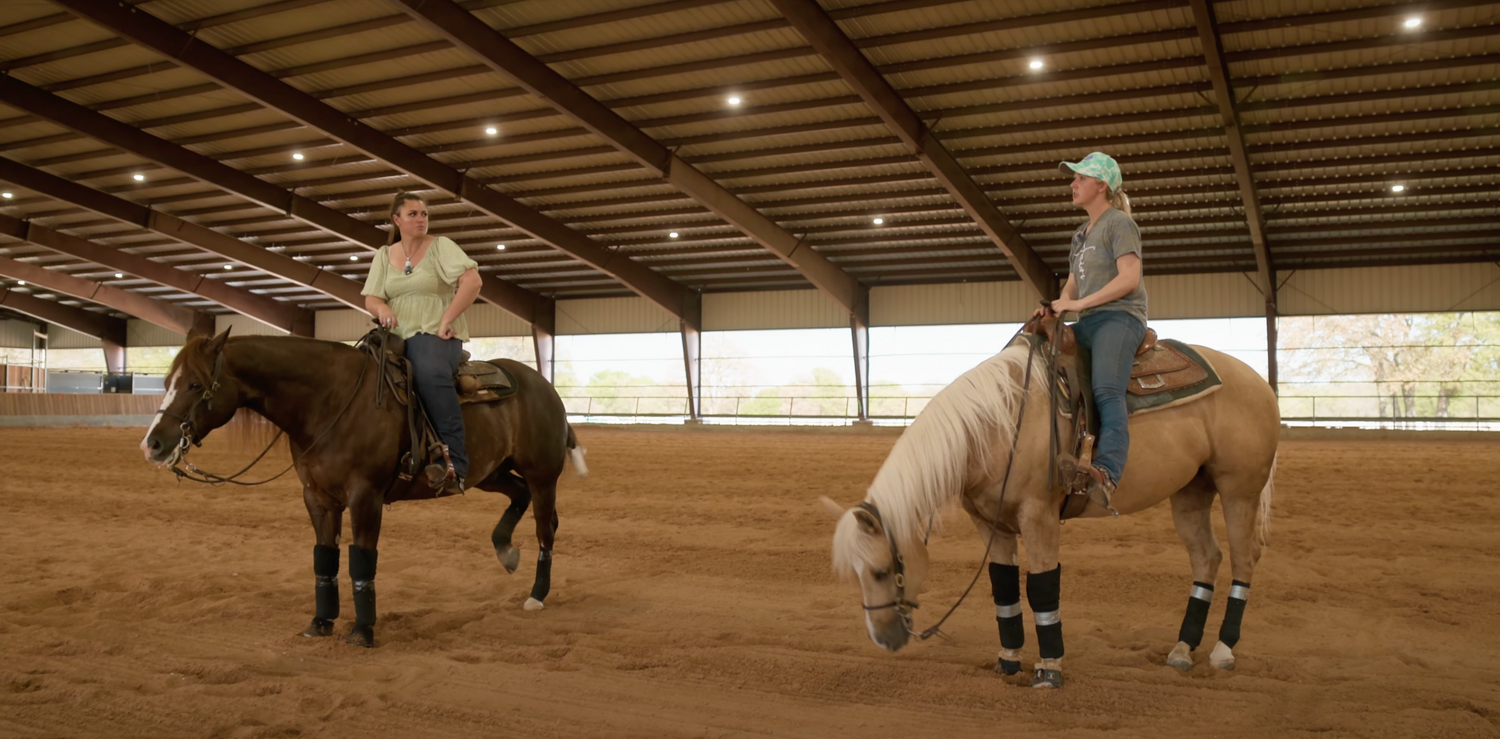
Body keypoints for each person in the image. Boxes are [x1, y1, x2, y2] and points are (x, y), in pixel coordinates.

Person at [1039, 152, 1148, 512]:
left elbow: (1129, 279)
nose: (1073, 184)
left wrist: (1079, 306)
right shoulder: (1080, 235)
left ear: (1101, 185)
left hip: (1119, 318)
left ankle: (1108, 471)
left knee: (1105, 388)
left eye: (1080, 178)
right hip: (1087, 321)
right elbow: (1072, 284)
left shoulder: (1119, 223)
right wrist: (1057, 305)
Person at [362, 192, 482, 495]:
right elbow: (372, 297)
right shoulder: (383, 255)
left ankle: (455, 463)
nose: (421, 219)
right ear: (396, 219)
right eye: (413, 214)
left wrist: (447, 318)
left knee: (428, 373)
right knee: (358, 369)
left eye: (424, 214)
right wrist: (382, 309)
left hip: (436, 335)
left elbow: (472, 282)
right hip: (396, 335)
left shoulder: (441, 247)